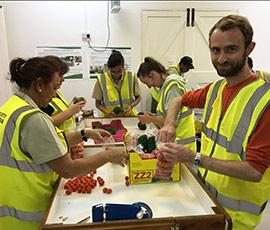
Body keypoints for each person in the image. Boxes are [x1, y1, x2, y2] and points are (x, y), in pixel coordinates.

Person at [158, 15, 270, 229]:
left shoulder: (265, 102)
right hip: (207, 201)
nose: (221, 59)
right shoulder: (215, 89)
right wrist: (169, 123)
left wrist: (193, 157)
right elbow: (177, 99)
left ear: (249, 48)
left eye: (231, 49)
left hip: (236, 218)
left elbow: (255, 171)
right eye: (215, 50)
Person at [0, 57, 128, 229]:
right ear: (39, 85)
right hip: (27, 212)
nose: (54, 95)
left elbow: (47, 144)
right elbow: (69, 169)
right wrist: (108, 155)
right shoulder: (33, 119)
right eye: (54, 88)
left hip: (9, 201)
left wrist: (84, 134)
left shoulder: (11, 106)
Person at [137, 57, 196, 152]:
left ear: (152, 75)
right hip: (176, 143)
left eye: (146, 82)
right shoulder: (165, 88)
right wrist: (155, 116)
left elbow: (172, 123)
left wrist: (150, 119)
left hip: (182, 144)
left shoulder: (172, 87)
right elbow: (168, 115)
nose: (148, 86)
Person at [41, 55, 86, 159]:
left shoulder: (57, 92)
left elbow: (61, 111)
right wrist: (71, 111)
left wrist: (73, 105)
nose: (62, 80)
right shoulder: (43, 99)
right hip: (58, 145)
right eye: (60, 76)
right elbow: (46, 123)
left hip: (68, 142)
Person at [92, 50, 141, 117]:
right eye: (113, 71)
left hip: (129, 116)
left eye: (119, 71)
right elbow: (98, 104)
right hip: (110, 118)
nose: (116, 75)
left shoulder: (131, 77)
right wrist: (108, 112)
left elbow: (138, 98)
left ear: (123, 67)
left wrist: (130, 106)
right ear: (109, 68)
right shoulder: (101, 79)